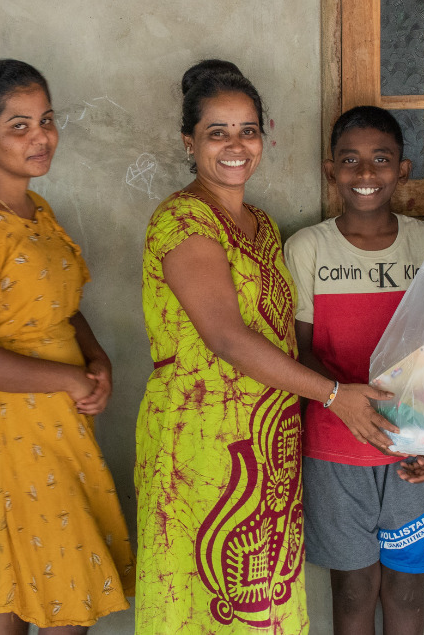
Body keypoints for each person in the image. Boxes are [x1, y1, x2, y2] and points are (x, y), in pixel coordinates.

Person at [134, 60, 394, 633]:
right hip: (203, 444)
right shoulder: (182, 221)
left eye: (247, 130)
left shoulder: (260, 222)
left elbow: (280, 331)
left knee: (263, 598)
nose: (236, 146)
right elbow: (226, 338)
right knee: (208, 602)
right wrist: (333, 395)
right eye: (216, 132)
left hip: (268, 445)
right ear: (188, 142)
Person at [0, 53, 134, 635]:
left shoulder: (35, 210)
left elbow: (61, 308)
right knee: (64, 597)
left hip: (56, 423)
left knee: (22, 592)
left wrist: (96, 359)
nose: (40, 137)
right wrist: (69, 379)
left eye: (46, 120)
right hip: (8, 428)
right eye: (18, 126)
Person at [284, 105, 424, 635]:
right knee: (353, 590)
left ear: (403, 170)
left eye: (381, 160)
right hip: (334, 446)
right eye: (351, 161)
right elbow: (297, 350)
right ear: (330, 170)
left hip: (418, 444)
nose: (366, 174)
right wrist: (343, 399)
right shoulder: (307, 248)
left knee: (408, 591)